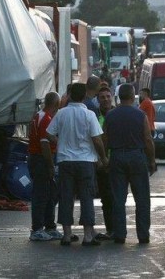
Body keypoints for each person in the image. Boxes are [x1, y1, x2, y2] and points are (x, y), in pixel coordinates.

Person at [47, 83, 109, 246]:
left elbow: (49, 133)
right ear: (83, 96)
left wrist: (60, 142)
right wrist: (102, 158)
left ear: (70, 96)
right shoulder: (89, 115)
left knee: (66, 196)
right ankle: (88, 235)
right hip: (85, 162)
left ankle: (67, 235)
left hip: (65, 161)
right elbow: (97, 138)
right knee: (86, 197)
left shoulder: (61, 113)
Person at [103, 83, 157, 244]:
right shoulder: (140, 115)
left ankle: (120, 234)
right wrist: (152, 161)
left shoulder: (110, 115)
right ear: (133, 96)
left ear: (119, 96)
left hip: (117, 156)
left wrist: (105, 158)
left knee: (118, 198)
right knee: (141, 198)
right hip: (136, 157)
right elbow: (148, 139)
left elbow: (104, 138)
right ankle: (143, 235)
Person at [27, 92, 62, 241]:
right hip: (41, 159)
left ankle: (49, 226)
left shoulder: (38, 116)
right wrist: (50, 165)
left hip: (37, 158)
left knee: (49, 193)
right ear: (56, 104)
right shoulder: (46, 119)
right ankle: (37, 228)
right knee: (41, 195)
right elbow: (44, 144)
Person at [94, 87, 115, 240]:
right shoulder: (94, 116)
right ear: (98, 99)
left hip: (115, 162)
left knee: (116, 197)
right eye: (102, 97)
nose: (106, 99)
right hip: (99, 163)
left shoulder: (116, 115)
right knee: (106, 198)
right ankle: (110, 229)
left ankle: (117, 229)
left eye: (108, 96)